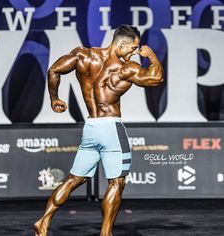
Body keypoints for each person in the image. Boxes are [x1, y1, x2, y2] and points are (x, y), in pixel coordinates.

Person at [34, 24, 163, 236]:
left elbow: (54, 70)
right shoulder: (125, 68)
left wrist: (54, 98)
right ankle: (106, 233)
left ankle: (43, 221)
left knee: (74, 179)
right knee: (117, 182)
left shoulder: (83, 55)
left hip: (91, 127)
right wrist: (152, 56)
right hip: (111, 128)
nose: (133, 52)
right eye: (133, 48)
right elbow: (155, 78)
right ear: (122, 43)